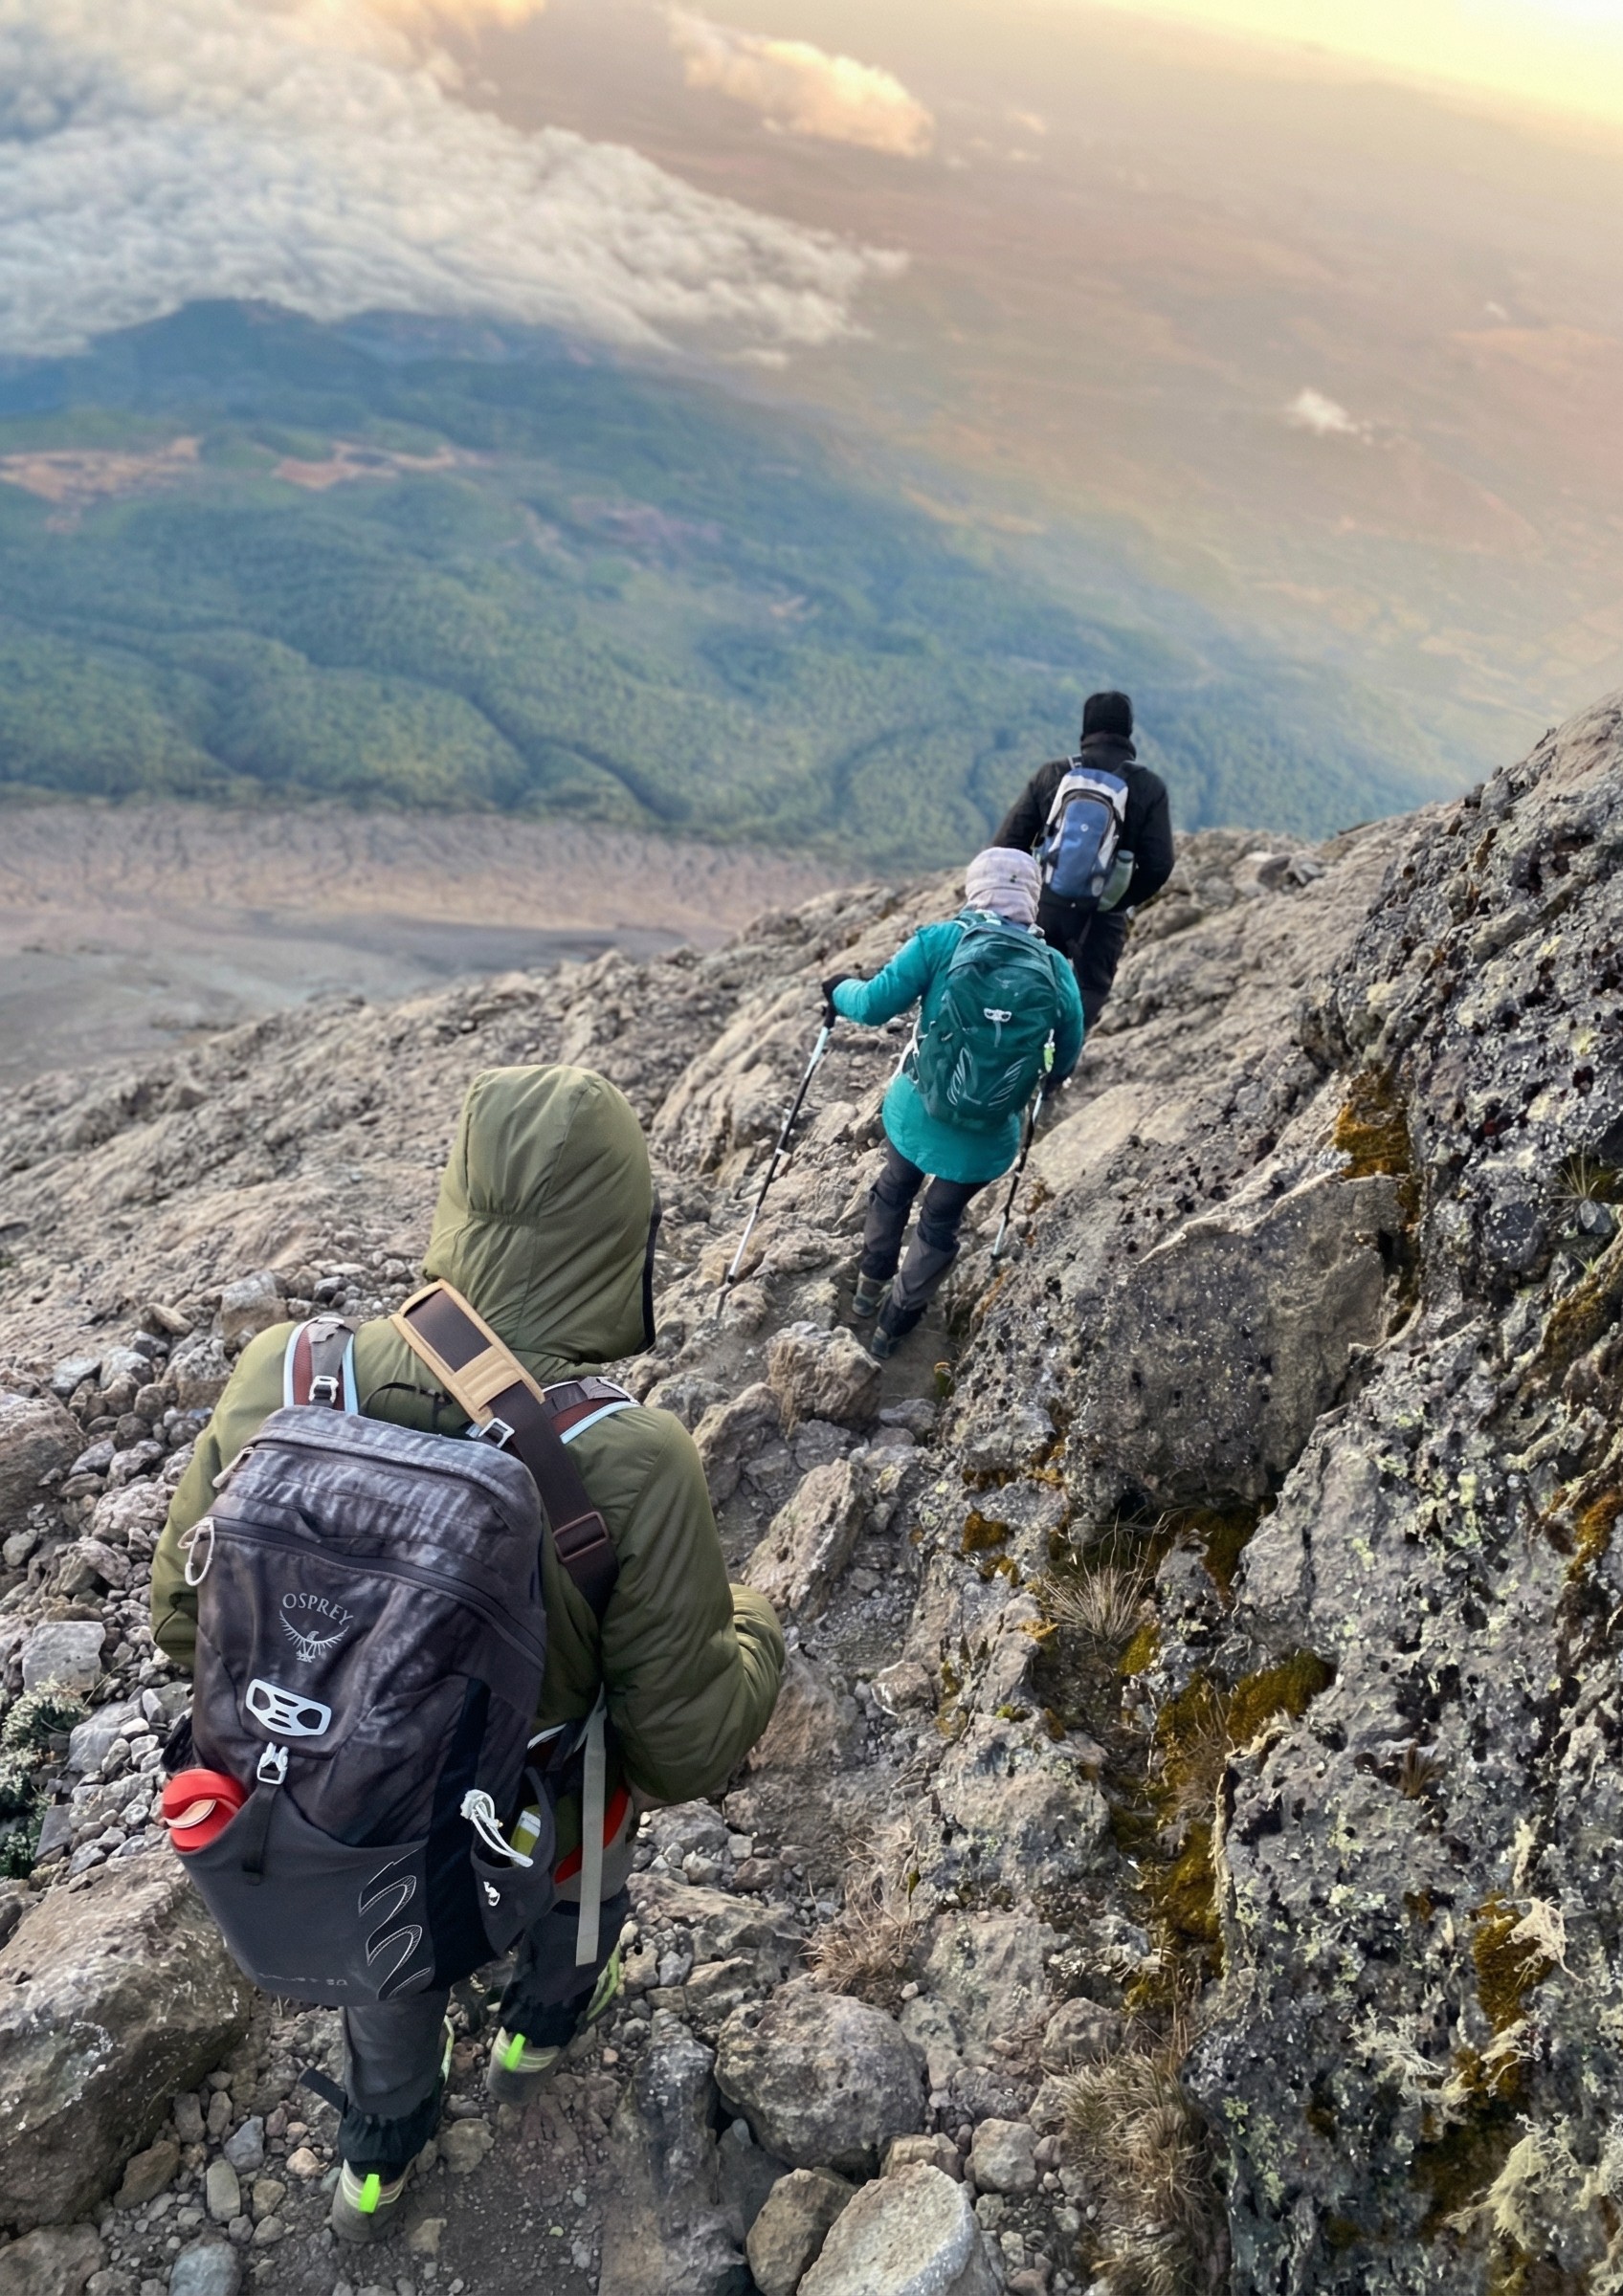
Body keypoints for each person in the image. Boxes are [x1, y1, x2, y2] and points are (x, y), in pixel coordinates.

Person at [151, 1064, 784, 2242]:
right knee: (578, 1882)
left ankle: (379, 2156)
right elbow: (679, 1742)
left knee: (385, 1981)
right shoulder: (631, 1456)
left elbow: (182, 1628)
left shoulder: (284, 1375)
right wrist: (753, 1627)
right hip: (545, 1810)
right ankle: (538, 2032)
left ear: (456, 1194)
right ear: (616, 1243)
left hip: (343, 1825)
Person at [827, 848, 1083, 1358]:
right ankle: (893, 1329)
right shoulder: (1056, 972)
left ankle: (866, 1293)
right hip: (985, 1141)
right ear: (1030, 900)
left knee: (893, 1189)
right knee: (939, 1221)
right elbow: (1064, 1061)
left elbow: (872, 1006)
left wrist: (837, 991)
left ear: (975, 890)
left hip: (915, 1114)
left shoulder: (942, 941)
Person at [994, 688, 1174, 1046]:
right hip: (1102, 916)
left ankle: (1010, 1056)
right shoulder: (1147, 787)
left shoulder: (1055, 774)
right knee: (1089, 988)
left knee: (1028, 978)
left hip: (1045, 905)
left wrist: (1033, 889)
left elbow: (1007, 844)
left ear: (1086, 728)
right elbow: (1159, 865)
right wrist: (1117, 900)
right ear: (1127, 731)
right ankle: (1057, 1075)